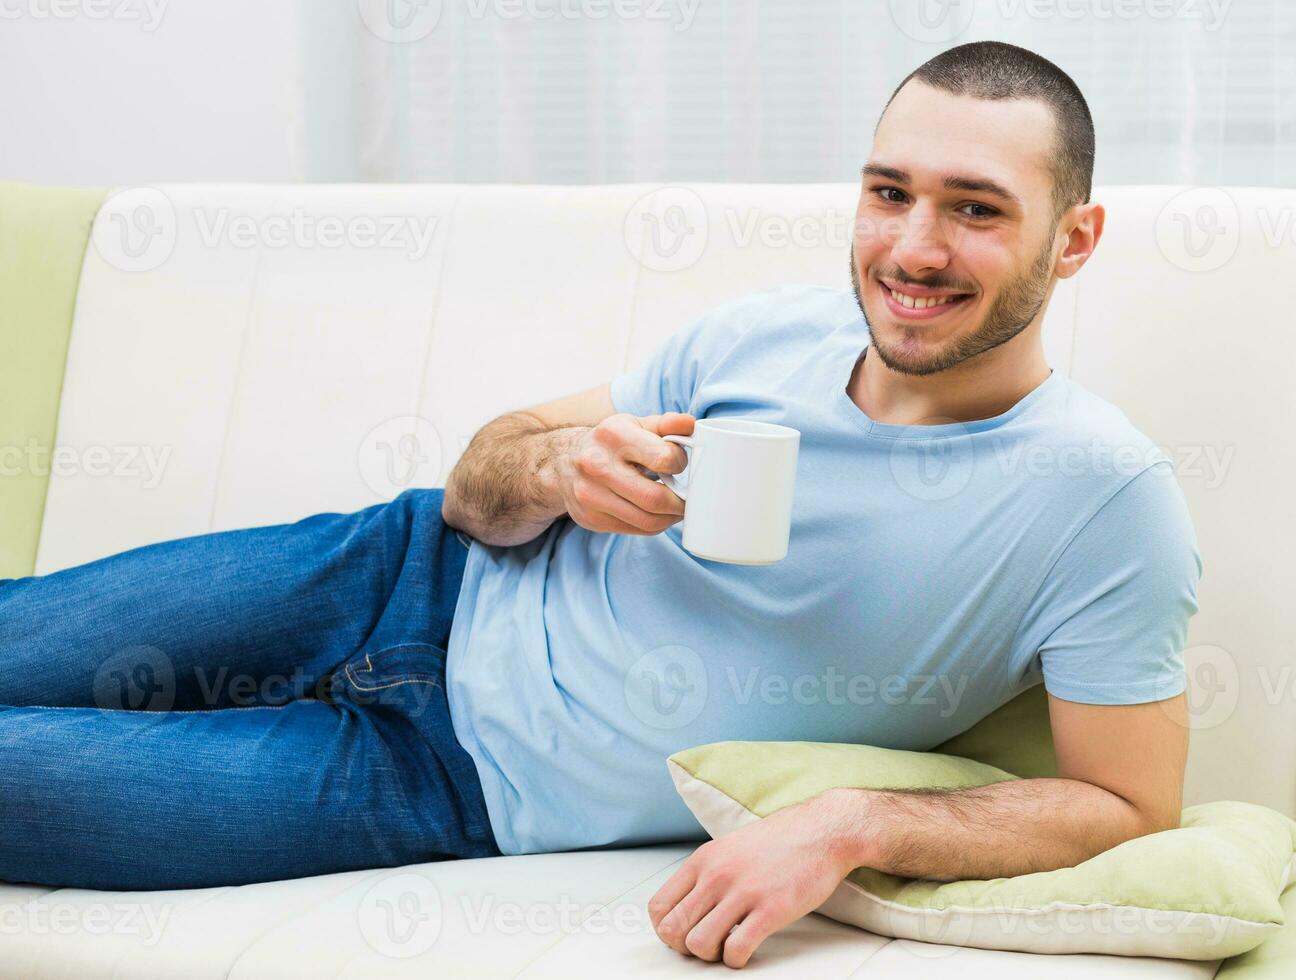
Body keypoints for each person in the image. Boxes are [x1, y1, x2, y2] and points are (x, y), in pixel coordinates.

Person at [0, 41, 1198, 970]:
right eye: (890, 192)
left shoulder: (1104, 499)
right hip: (398, 571)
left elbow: (1128, 800)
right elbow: (483, 473)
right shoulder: (766, 330)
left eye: (975, 208)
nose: (912, 247)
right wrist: (554, 467)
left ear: (1074, 238)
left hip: (449, 784)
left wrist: (853, 821)